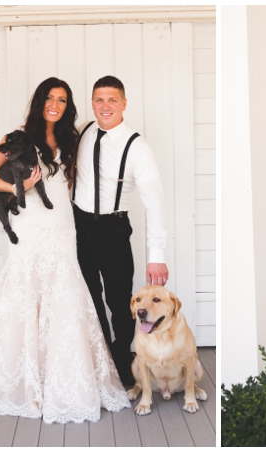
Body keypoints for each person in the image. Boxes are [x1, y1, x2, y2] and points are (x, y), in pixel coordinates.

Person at [0, 77, 130, 425]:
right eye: (49, 98)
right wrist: (19, 188)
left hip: (62, 222)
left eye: (62, 100)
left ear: (68, 106)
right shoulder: (17, 136)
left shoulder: (70, 138)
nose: (55, 104)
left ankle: (63, 372)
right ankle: (23, 373)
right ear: (39, 101)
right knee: (28, 284)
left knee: (63, 286)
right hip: (30, 222)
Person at [72, 76, 168, 389]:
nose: (105, 106)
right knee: (87, 296)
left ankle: (123, 357)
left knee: (119, 300)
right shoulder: (84, 131)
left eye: (112, 99)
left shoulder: (137, 146)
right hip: (77, 226)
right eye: (99, 99)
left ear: (124, 104)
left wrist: (157, 255)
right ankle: (100, 357)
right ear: (92, 103)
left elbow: (155, 202)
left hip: (112, 230)